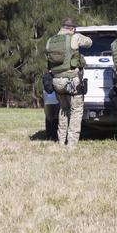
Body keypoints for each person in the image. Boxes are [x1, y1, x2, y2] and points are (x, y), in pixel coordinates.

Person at [45, 18, 92, 147]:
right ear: (71, 29)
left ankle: (61, 141)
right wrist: (76, 35)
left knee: (63, 109)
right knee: (76, 111)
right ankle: (71, 143)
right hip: (71, 81)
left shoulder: (50, 41)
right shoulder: (74, 37)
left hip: (56, 81)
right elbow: (89, 42)